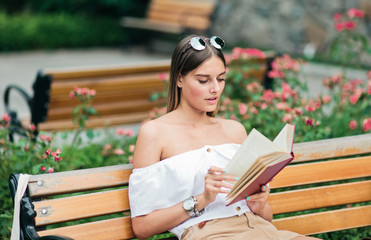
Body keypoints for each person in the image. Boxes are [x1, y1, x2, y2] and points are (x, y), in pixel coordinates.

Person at [129, 35, 321, 240]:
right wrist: (201, 200)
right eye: (203, 80)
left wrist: (260, 205)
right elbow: (142, 227)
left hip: (261, 230)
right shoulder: (155, 133)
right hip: (210, 234)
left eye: (220, 79)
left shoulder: (234, 131)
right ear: (179, 78)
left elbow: (267, 218)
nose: (215, 89)